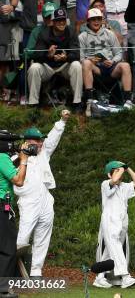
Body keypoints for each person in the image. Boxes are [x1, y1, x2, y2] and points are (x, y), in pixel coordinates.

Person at [14, 110, 69, 279]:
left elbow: (52, 139)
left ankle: (36, 271)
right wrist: (21, 154)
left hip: (45, 197)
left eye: (40, 140)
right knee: (23, 237)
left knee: (43, 235)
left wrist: (62, 121)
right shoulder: (16, 156)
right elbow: (9, 172)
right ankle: (13, 270)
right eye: (36, 140)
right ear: (27, 141)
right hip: (28, 199)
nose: (40, 143)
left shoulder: (44, 153)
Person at [93, 161, 135, 289]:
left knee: (111, 250)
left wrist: (128, 168)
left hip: (122, 220)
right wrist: (120, 170)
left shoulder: (124, 186)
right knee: (115, 246)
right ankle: (125, 277)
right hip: (110, 220)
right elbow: (114, 180)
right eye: (116, 171)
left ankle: (99, 277)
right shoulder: (105, 184)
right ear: (109, 174)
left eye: (121, 172)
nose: (120, 174)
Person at [27, 9, 83, 109]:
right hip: (48, 66)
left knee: (77, 65)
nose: (61, 23)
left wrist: (66, 57)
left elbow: (77, 54)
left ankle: (77, 103)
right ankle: (33, 104)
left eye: (63, 20)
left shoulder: (71, 31)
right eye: (58, 20)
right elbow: (36, 55)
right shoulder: (44, 33)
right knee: (34, 67)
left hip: (65, 65)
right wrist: (48, 55)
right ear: (52, 22)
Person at [79, 8, 134, 110]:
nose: (96, 22)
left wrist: (112, 61)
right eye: (93, 19)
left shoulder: (109, 33)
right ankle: (90, 100)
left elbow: (118, 53)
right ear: (88, 21)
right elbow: (81, 58)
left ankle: (128, 101)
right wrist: (90, 60)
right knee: (86, 63)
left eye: (98, 19)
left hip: (111, 67)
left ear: (102, 20)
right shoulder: (82, 36)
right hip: (96, 68)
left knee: (125, 65)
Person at [0, 139, 28, 298]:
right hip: (1, 207)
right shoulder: (1, 157)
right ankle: (3, 291)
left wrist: (20, 158)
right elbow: (19, 180)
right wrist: (23, 160)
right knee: (7, 249)